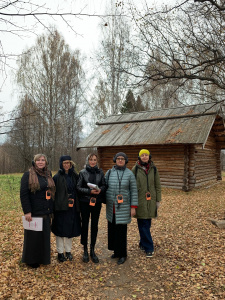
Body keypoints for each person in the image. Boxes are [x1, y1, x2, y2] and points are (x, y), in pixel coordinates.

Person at [20, 154, 55, 268]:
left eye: (42, 160)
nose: (40, 162)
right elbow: (24, 195)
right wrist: (27, 211)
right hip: (34, 211)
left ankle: (43, 258)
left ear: (46, 162)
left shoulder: (48, 174)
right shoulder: (28, 175)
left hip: (46, 210)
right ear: (34, 162)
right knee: (33, 237)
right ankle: (31, 260)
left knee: (44, 236)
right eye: (38, 160)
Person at [105, 152, 138, 265]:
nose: (120, 160)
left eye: (122, 159)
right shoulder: (109, 173)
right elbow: (104, 186)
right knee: (113, 231)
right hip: (112, 207)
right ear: (115, 160)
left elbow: (134, 191)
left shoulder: (129, 174)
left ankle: (123, 254)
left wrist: (133, 207)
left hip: (123, 207)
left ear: (125, 161)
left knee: (121, 232)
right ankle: (116, 251)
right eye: (118, 158)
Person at [77, 153, 107, 263]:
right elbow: (78, 187)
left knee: (94, 225)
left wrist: (100, 190)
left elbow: (104, 185)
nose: (93, 162)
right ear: (87, 161)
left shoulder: (100, 172)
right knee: (85, 225)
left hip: (96, 202)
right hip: (85, 202)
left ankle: (92, 250)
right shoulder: (82, 172)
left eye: (94, 160)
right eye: (91, 160)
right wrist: (89, 191)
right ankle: (84, 250)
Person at [132, 149, 161, 258]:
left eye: (146, 155)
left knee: (147, 223)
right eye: (142, 155)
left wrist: (158, 200)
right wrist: (132, 203)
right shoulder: (135, 169)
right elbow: (131, 187)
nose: (144, 157)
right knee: (143, 223)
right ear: (139, 157)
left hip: (151, 200)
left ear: (149, 156)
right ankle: (149, 247)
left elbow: (157, 185)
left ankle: (142, 243)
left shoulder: (153, 169)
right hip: (140, 200)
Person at [51, 155, 81, 262]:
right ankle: (60, 253)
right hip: (60, 207)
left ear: (71, 164)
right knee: (60, 230)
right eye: (65, 163)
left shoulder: (75, 176)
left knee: (70, 229)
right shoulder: (56, 177)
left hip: (72, 207)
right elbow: (53, 193)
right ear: (61, 164)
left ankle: (68, 251)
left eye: (68, 163)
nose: (67, 165)